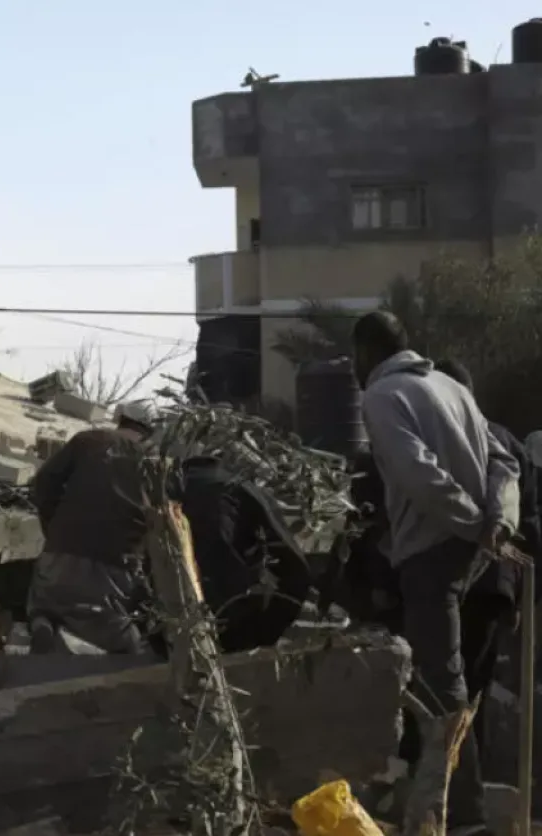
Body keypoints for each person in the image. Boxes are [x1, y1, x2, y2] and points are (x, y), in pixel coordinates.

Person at [352, 311, 520, 832]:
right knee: (453, 687)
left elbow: (418, 472)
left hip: (433, 552)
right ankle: (447, 810)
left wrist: (474, 523)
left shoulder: (381, 397)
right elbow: (502, 461)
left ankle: (462, 818)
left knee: (439, 694)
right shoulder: (450, 387)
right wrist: (499, 521)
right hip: (474, 552)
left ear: (364, 352)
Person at [431, 358, 540, 758]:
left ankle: (455, 785)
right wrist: (525, 594)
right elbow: (529, 523)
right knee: (474, 686)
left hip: (446, 582)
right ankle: (466, 778)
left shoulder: (435, 441)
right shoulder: (505, 440)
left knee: (441, 691)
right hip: (495, 587)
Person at [26, 399, 155, 655]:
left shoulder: (87, 440)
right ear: (150, 431)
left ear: (120, 418)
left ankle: (44, 622)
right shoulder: (152, 461)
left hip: (60, 553)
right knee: (123, 639)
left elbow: (43, 483)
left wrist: (53, 530)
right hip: (116, 565)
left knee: (46, 603)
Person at [173, 455, 313, 653]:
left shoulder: (161, 492)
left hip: (173, 623)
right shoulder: (240, 487)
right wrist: (270, 628)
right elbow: (294, 565)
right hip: (234, 618)